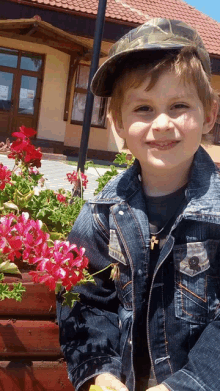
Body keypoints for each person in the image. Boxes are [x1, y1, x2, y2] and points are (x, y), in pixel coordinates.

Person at [56, 18, 220, 391]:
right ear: (117, 122)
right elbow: (84, 304)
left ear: (208, 114)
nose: (161, 124)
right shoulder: (100, 215)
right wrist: (100, 371)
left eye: (179, 105)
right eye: (143, 108)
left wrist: (186, 385)